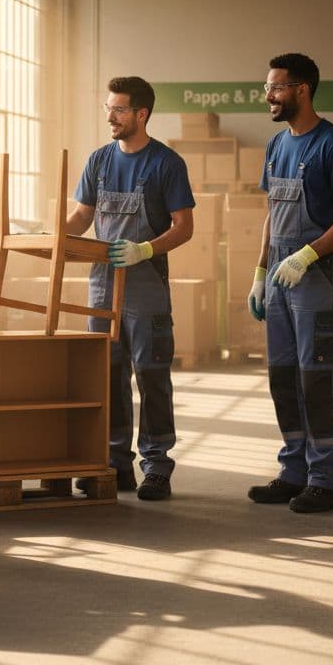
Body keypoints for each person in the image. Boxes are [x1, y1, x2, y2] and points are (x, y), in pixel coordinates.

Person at [246, 53, 333, 514]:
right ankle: (293, 471)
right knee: (282, 377)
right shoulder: (277, 144)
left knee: (316, 379)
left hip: (314, 276)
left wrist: (310, 253)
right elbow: (272, 214)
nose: (269, 97)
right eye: (267, 89)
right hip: (278, 277)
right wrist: (260, 272)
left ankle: (324, 480)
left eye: (276, 88)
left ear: (302, 90)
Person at [66, 76, 195, 501]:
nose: (111, 117)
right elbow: (83, 215)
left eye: (119, 110)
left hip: (146, 287)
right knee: (107, 375)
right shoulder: (99, 160)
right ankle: (114, 462)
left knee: (152, 376)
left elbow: (184, 227)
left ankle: (156, 465)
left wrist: (144, 249)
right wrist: (54, 240)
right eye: (108, 108)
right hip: (102, 288)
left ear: (142, 114)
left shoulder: (166, 164)